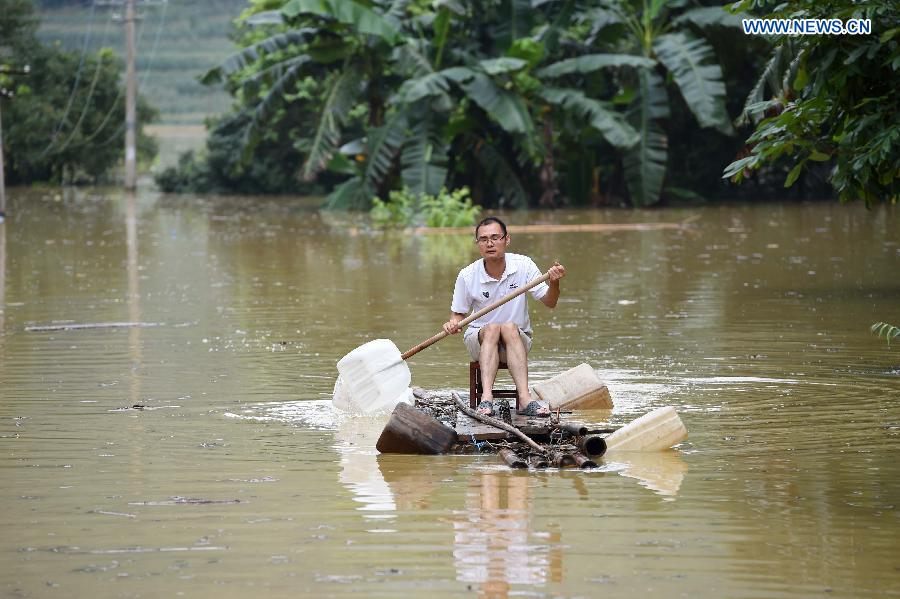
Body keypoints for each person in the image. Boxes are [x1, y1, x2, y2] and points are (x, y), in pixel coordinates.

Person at [443, 216, 566, 416]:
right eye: (483, 239)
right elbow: (458, 314)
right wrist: (452, 324)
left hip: (517, 340)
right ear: (477, 244)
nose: (489, 243)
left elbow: (550, 302)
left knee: (508, 327)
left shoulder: (524, 265)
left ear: (506, 240)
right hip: (480, 342)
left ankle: (525, 400)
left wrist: (554, 283)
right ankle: (486, 400)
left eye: (495, 237)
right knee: (492, 328)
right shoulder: (467, 275)